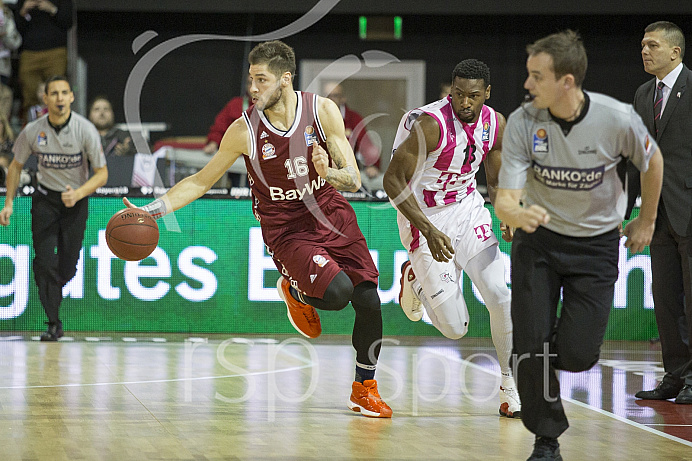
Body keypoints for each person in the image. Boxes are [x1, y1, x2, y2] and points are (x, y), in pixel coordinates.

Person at [122, 40, 392, 418]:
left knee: (368, 301)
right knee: (338, 294)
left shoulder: (323, 111)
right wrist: (153, 209)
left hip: (332, 211)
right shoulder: (244, 129)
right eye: (250, 79)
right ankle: (294, 289)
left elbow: (352, 178)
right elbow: (200, 181)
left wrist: (326, 170)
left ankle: (364, 388)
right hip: (288, 229)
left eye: (260, 80)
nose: (252, 88)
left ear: (284, 80)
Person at [494, 30, 664, 460]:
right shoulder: (523, 122)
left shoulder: (617, 118)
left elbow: (653, 160)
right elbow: (506, 199)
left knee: (576, 354)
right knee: (530, 347)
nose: (527, 84)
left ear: (566, 81)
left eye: (537, 76)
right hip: (539, 243)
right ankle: (546, 439)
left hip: (596, 246)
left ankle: (546, 350)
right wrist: (515, 214)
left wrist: (646, 219)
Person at [384, 59, 521, 419]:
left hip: (467, 209)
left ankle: (509, 385)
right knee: (454, 329)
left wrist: (505, 209)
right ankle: (413, 278)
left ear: (486, 94)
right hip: (424, 215)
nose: (465, 103)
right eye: (458, 94)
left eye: (473, 96)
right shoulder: (429, 126)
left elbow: (494, 173)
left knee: (500, 294)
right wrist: (428, 231)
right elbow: (392, 182)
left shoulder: (496, 122)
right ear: (451, 92)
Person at [0, 75, 107, 341]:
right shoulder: (33, 130)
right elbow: (15, 166)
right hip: (45, 200)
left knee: (68, 266)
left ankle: (53, 288)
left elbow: (102, 173)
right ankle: (53, 322)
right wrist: (9, 202)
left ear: (72, 97)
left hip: (75, 201)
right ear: (45, 99)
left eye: (64, 93)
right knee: (44, 263)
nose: (59, 98)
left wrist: (80, 192)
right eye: (54, 93)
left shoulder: (85, 130)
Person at [631, 21, 692, 405]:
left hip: (689, 208)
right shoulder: (642, 94)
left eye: (652, 45)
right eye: (642, 45)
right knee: (666, 298)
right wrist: (635, 211)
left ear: (675, 52)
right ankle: (676, 376)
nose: (645, 51)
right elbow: (639, 157)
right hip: (658, 214)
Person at [15, 0, 73, 121]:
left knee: (58, 92)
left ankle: (60, 126)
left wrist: (52, 9)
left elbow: (68, 22)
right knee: (29, 96)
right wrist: (23, 12)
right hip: (29, 52)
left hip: (55, 51)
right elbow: (17, 29)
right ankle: (30, 131)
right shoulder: (24, 1)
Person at [323, 81, 383, 192]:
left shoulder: (353, 118)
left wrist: (372, 165)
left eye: (335, 95)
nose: (331, 99)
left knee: (379, 182)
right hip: (322, 169)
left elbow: (366, 145)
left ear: (343, 98)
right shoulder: (316, 116)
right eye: (327, 96)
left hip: (348, 170)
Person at [0, 1, 22, 120]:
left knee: (2, 106)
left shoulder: (6, 14)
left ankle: (2, 136)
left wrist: (5, 35)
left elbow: (16, 42)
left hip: (2, 67)